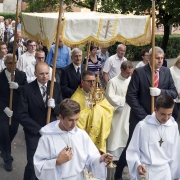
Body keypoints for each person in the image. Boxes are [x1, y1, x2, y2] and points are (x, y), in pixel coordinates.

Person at [114, 46, 178, 180]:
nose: (160, 61)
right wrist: (146, 117)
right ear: (149, 57)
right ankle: (118, 172)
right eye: (157, 58)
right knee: (132, 146)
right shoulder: (139, 72)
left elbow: (173, 92)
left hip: (161, 118)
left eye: (162, 58)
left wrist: (160, 91)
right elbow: (130, 97)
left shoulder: (166, 72)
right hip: (140, 118)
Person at [33, 99, 113, 180]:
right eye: (70, 120)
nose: (74, 124)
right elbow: (39, 166)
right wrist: (57, 161)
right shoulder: (47, 138)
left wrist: (100, 159)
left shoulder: (81, 135)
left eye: (77, 119)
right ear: (60, 117)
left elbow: (91, 159)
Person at [18, 62, 62, 180]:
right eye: (41, 74)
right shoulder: (27, 89)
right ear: (35, 74)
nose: (45, 76)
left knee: (49, 163)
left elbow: (62, 110)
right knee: (33, 164)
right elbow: (22, 115)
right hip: (34, 134)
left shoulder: (55, 87)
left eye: (47, 73)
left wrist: (54, 107)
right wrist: (39, 129)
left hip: (52, 133)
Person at [126, 95, 180, 180]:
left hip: (165, 171)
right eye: (163, 114)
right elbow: (133, 150)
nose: (166, 118)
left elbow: (176, 153)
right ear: (155, 110)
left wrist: (175, 175)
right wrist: (138, 164)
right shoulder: (142, 126)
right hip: (147, 171)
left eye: (169, 114)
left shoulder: (173, 126)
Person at [71, 70, 114, 153]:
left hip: (99, 133)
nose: (92, 83)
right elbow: (75, 118)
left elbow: (109, 108)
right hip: (85, 135)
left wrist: (97, 109)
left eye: (94, 81)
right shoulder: (75, 98)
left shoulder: (98, 94)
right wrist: (92, 112)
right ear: (82, 82)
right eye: (89, 81)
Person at [0, 54, 27, 171]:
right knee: (4, 132)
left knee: (12, 131)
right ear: (5, 64)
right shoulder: (0, 77)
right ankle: (7, 159)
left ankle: (3, 147)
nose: (13, 65)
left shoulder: (21, 75)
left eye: (15, 63)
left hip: (16, 110)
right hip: (3, 110)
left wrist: (18, 87)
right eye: (10, 63)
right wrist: (4, 108)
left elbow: (27, 90)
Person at [105, 61, 133, 162]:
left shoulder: (131, 80)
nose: (129, 75)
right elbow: (110, 97)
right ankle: (113, 157)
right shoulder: (113, 82)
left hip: (129, 111)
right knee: (116, 134)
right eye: (127, 73)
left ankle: (124, 157)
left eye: (131, 73)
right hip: (117, 114)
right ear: (121, 70)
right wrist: (125, 99)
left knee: (126, 133)